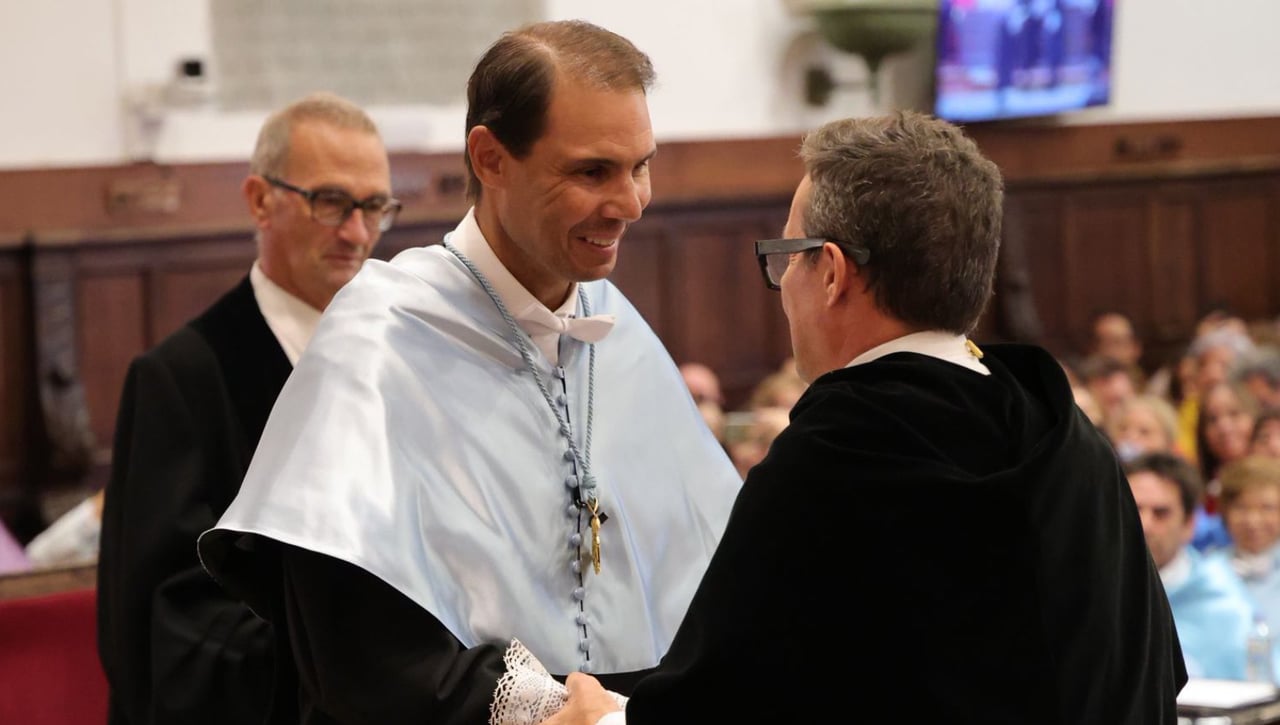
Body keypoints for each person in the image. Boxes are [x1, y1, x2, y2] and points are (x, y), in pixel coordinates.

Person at [540, 111, 1185, 724]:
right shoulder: (1075, 444)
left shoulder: (838, 461)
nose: (785, 281)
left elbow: (722, 710)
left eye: (790, 254)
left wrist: (603, 715)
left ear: (832, 274)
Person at [197, 19, 739, 725]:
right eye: (592, 171)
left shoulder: (620, 327)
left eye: (640, 165)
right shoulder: (381, 338)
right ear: (490, 158)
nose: (632, 202)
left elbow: (704, 590)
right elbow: (363, 654)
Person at [96, 91, 398, 725]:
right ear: (260, 200)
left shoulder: (403, 358)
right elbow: (164, 621)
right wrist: (342, 660)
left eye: (374, 207)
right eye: (331, 202)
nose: (357, 232)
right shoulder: (181, 379)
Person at [1127, 452, 1256, 680]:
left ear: (1189, 525)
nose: (1144, 525)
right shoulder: (1090, 587)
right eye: (1134, 509)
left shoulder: (1224, 606)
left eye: (1161, 513)